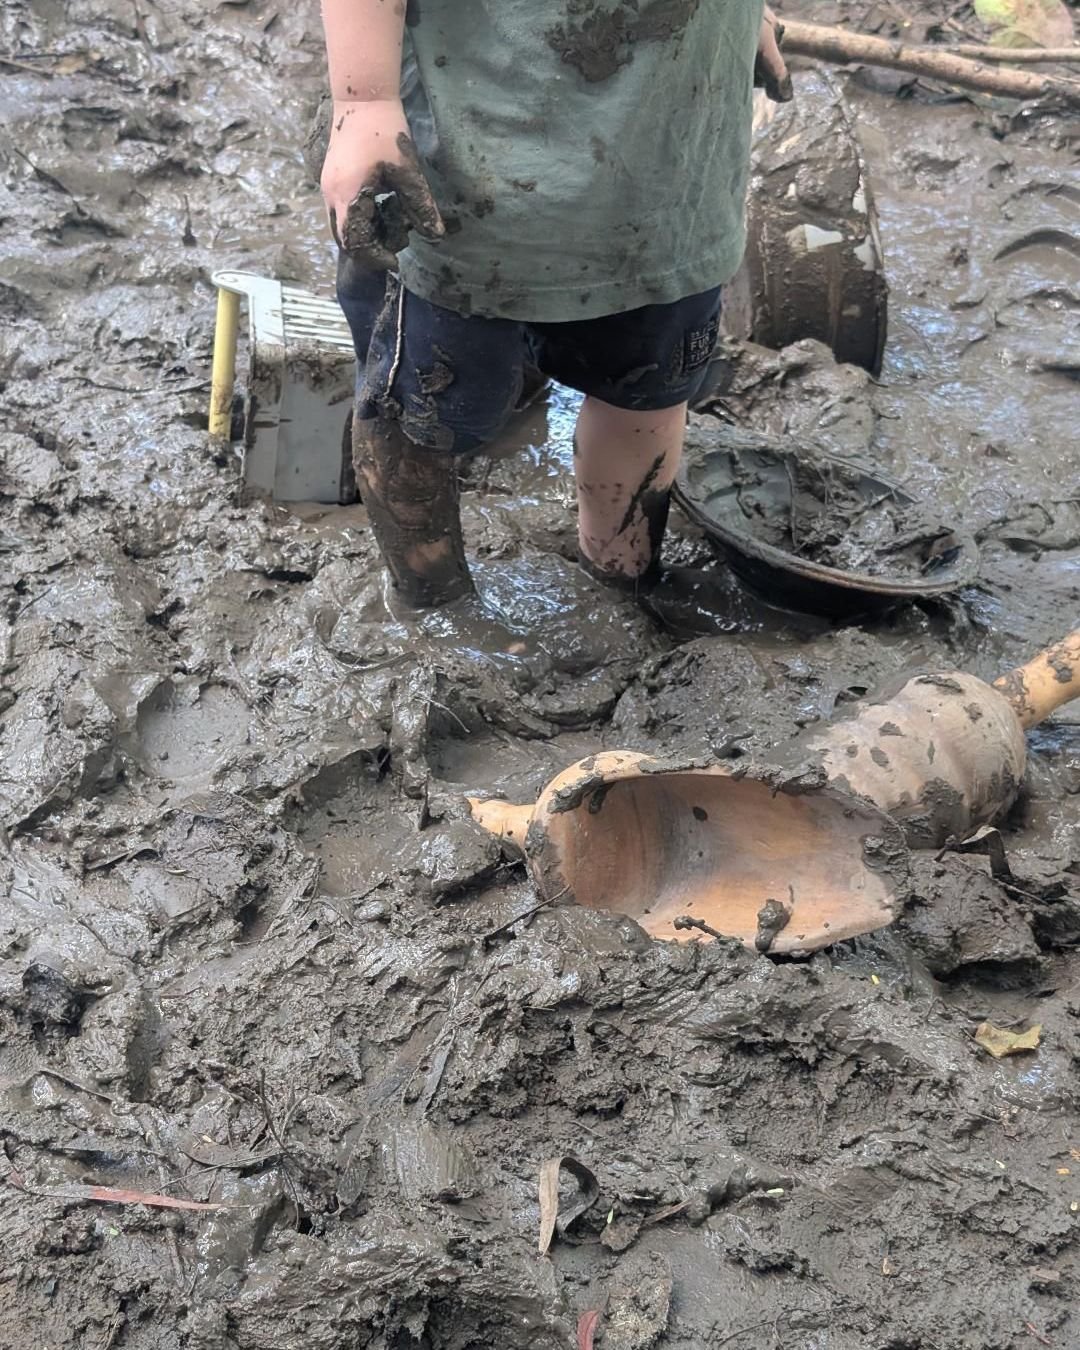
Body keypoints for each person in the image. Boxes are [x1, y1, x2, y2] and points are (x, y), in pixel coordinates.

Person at [320, 0, 790, 610]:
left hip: (674, 167)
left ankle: (622, 579)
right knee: (418, 416)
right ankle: (432, 603)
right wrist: (364, 100)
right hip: (471, 163)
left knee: (644, 395)